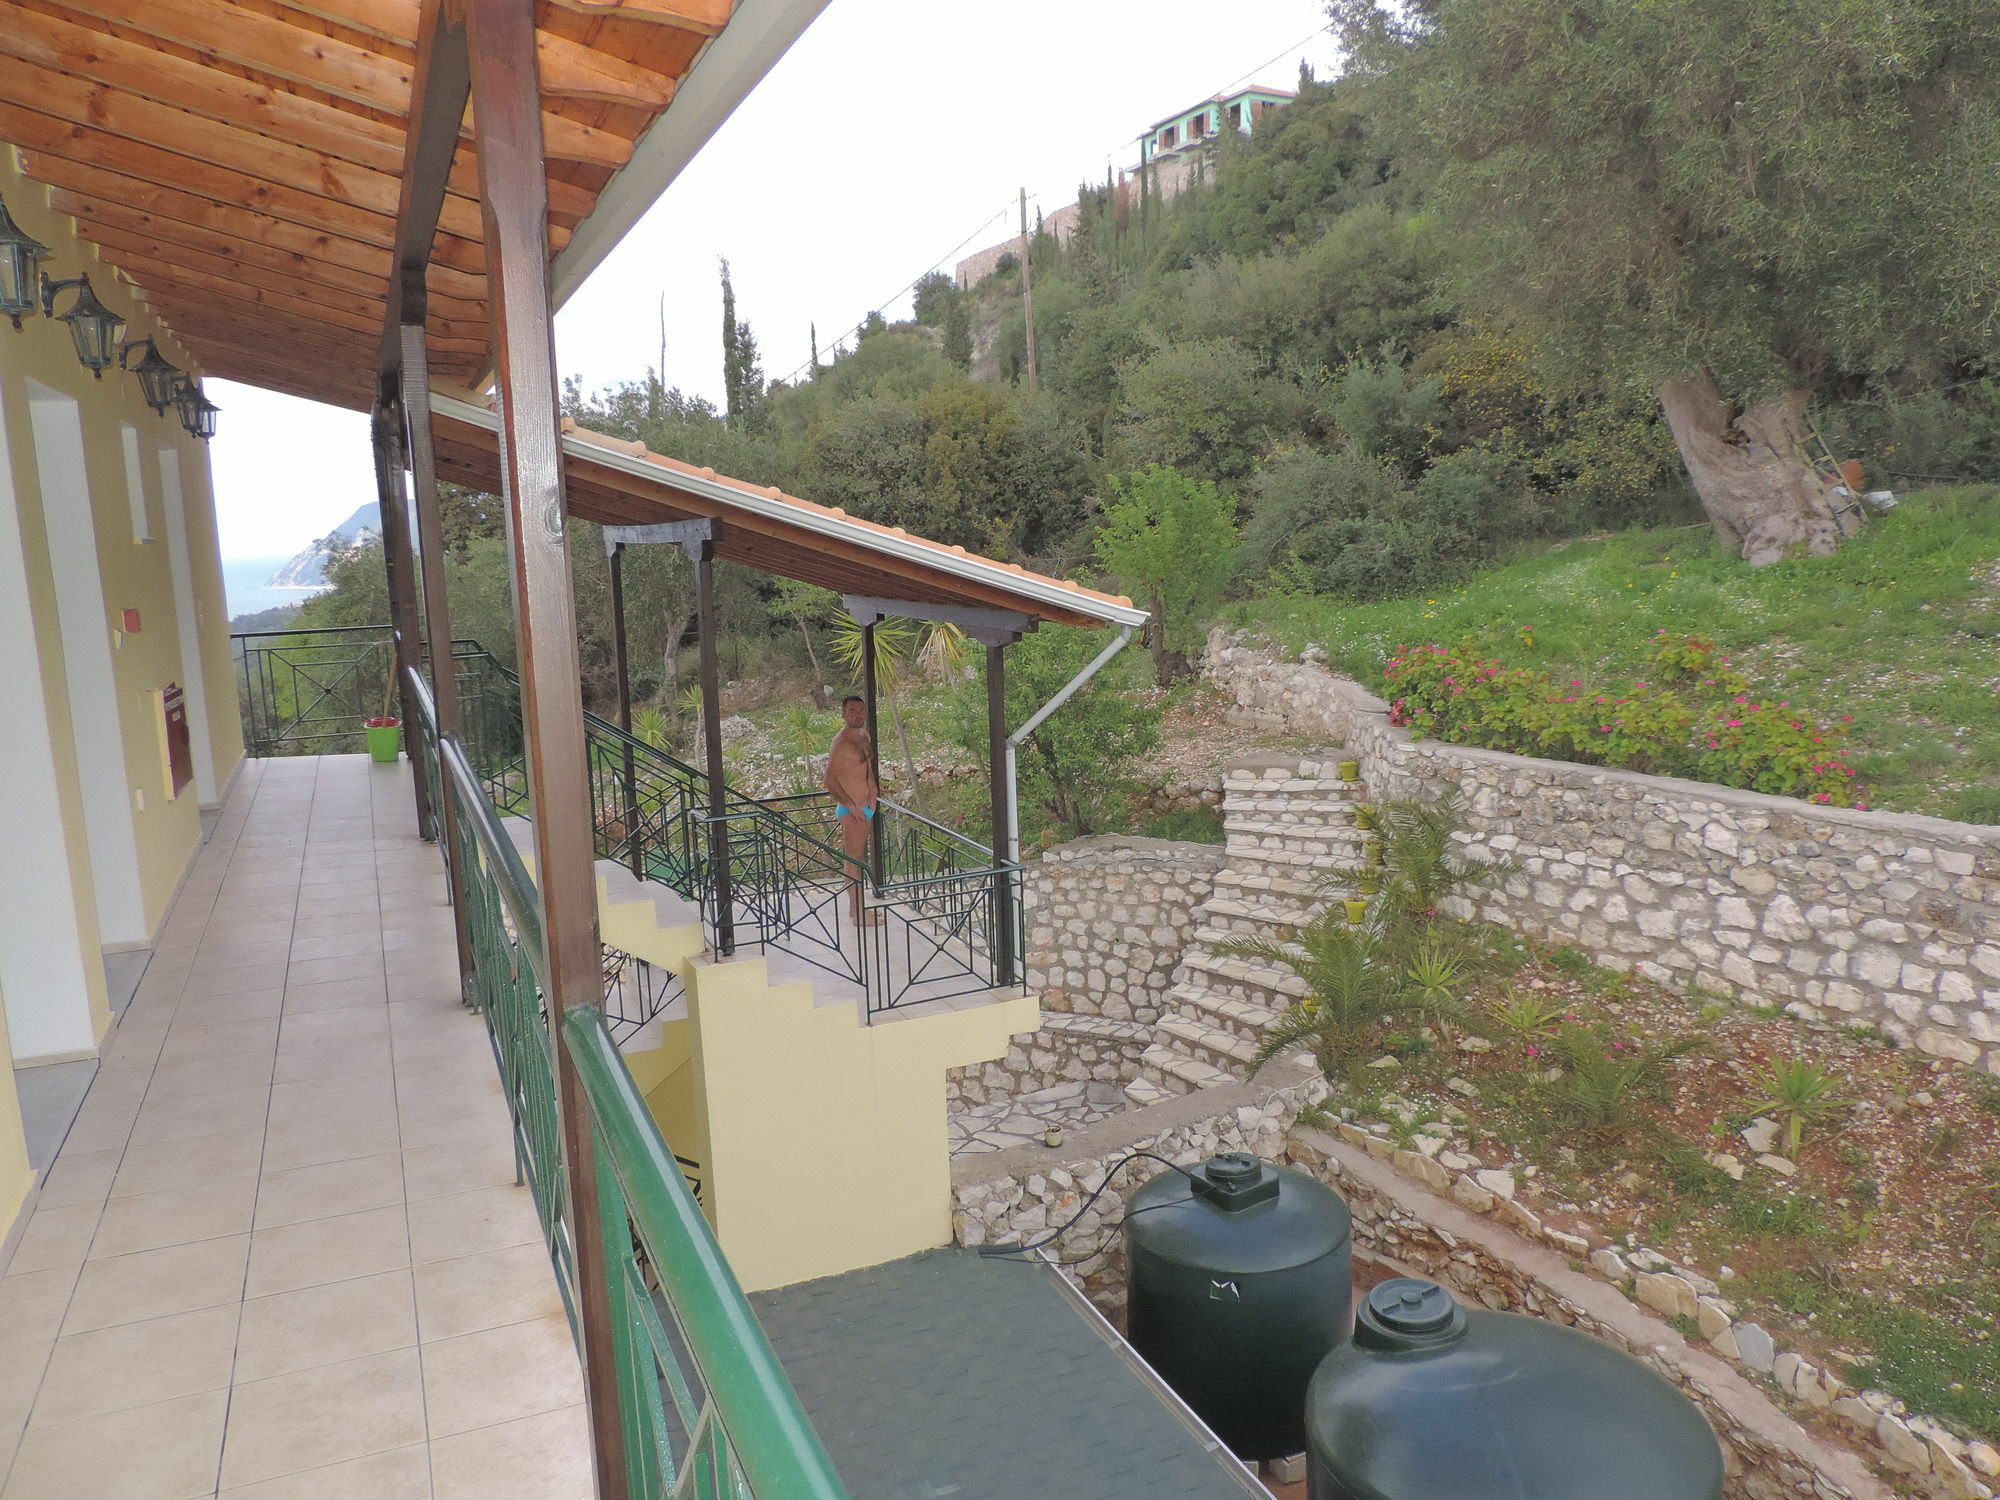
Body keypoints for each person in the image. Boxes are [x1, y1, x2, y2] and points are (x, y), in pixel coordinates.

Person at [822, 694, 881, 925]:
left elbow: (867, 768)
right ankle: (859, 914)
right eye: (852, 711)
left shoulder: (863, 735)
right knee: (854, 861)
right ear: (843, 714)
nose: (858, 715)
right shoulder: (842, 743)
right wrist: (850, 805)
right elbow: (829, 780)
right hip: (852, 811)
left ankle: (855, 910)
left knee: (857, 859)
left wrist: (874, 790)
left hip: (866, 807)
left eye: (861, 710)